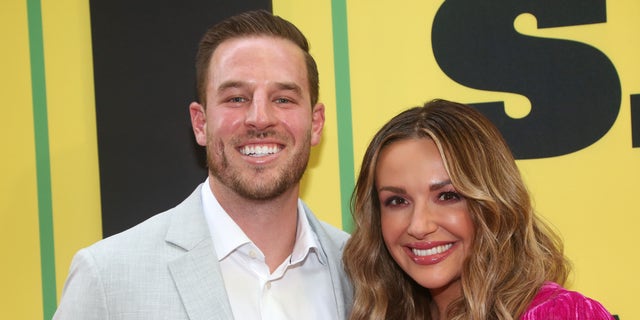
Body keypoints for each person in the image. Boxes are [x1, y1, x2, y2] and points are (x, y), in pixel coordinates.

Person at [54, 10, 353, 320]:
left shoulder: (363, 274)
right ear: (200, 123)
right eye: (237, 98)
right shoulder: (107, 279)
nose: (260, 118)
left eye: (283, 99)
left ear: (316, 123)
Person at [343, 99, 614, 319]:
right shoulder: (378, 312)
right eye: (397, 201)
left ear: (493, 204)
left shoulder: (559, 314)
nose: (418, 225)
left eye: (448, 196)